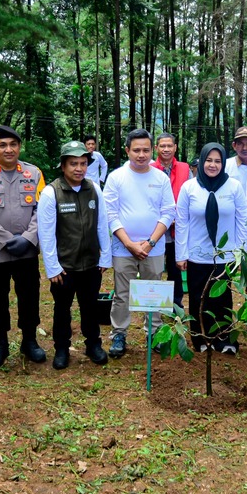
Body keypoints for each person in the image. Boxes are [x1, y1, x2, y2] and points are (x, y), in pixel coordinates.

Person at [0, 125, 47, 368]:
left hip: (27, 250)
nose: (9, 149)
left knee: (29, 296)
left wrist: (28, 238)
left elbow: (41, 209)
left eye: (13, 144)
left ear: (19, 147)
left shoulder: (34, 173)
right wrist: (5, 240)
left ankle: (29, 340)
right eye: (2, 145)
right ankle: (0, 343)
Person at [37, 141, 112, 369]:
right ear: (63, 166)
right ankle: (61, 348)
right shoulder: (52, 192)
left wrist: (105, 257)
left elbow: (102, 225)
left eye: (83, 164)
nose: (79, 169)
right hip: (64, 267)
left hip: (91, 263)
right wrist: (53, 267)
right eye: (73, 164)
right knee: (62, 309)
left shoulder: (94, 189)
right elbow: (46, 234)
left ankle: (93, 345)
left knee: (89, 307)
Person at [102, 128, 175, 358]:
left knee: (153, 291)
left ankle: (154, 332)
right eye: (136, 150)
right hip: (124, 248)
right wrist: (130, 244)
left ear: (152, 150)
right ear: (127, 151)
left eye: (145, 150)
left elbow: (168, 212)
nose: (141, 155)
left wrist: (150, 242)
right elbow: (110, 213)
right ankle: (119, 334)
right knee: (122, 293)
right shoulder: (116, 177)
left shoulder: (160, 178)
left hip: (154, 247)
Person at [175, 142, 247, 353]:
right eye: (209, 160)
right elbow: (182, 223)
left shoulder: (234, 187)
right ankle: (201, 340)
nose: (213, 165)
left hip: (225, 256)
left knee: (223, 298)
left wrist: (241, 254)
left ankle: (224, 340)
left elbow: (242, 221)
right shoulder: (189, 188)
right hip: (197, 255)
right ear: (202, 160)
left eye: (218, 161)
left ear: (223, 163)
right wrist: (181, 255)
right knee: (198, 298)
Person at [151, 132, 192, 309]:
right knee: (156, 268)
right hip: (156, 230)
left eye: (170, 146)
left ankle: (175, 304)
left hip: (178, 229)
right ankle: (157, 304)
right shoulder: (150, 168)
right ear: (156, 148)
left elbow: (191, 194)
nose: (166, 149)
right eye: (162, 146)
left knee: (176, 269)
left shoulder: (185, 168)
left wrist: (178, 218)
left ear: (175, 148)